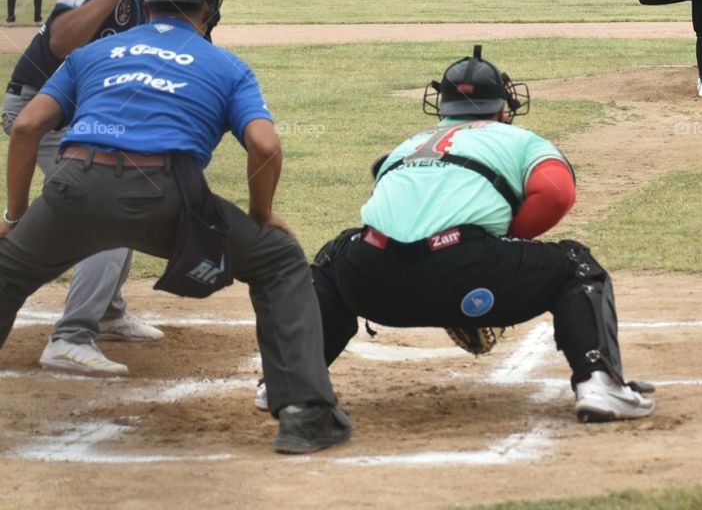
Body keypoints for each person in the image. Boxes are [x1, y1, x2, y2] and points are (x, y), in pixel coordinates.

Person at [0, 0, 351, 455]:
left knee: (7, 272)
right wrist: (261, 215)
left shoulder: (91, 54)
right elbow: (266, 145)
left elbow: (29, 125)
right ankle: (305, 414)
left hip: (72, 188)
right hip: (166, 197)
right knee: (278, 262)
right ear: (208, 8)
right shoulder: (226, 65)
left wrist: (16, 215)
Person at [256, 46, 654, 425]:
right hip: (467, 274)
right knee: (576, 266)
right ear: (503, 106)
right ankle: (598, 383)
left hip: (373, 281)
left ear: (441, 106)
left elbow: (386, 206)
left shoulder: (408, 145)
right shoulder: (517, 138)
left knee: (333, 259)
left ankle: (287, 381)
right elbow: (556, 192)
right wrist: (503, 242)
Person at [1, 0, 204, 375]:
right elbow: (59, 42)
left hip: (88, 116)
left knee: (131, 185)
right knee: (108, 208)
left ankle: (108, 311)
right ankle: (70, 337)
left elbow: (192, 46)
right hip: (40, 107)